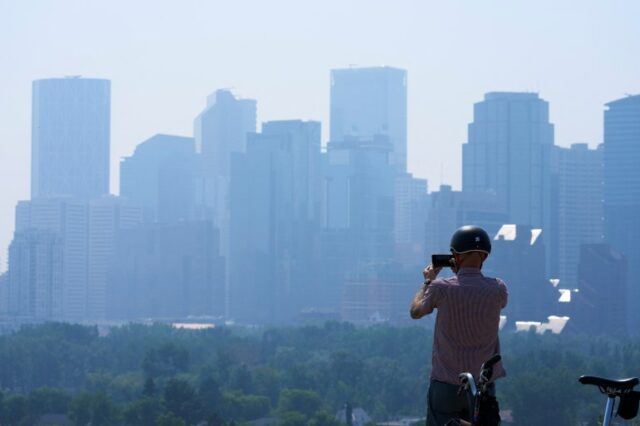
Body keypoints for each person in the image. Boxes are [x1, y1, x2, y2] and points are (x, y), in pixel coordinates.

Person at [410, 225, 508, 426]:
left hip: (446, 386)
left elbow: (415, 312)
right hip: (483, 387)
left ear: (455, 256)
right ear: (485, 257)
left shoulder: (441, 288)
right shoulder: (498, 289)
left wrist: (428, 282)